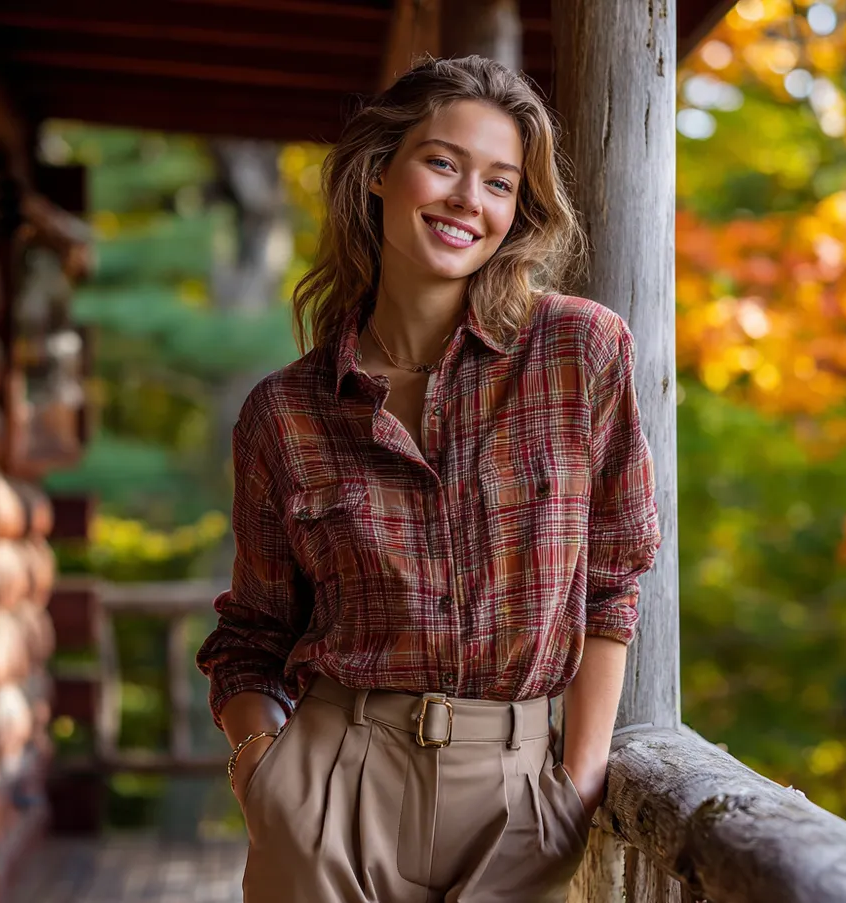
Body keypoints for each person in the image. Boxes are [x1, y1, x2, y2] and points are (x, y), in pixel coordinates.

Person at [196, 54, 660, 903]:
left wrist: (579, 779)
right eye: (443, 163)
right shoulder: (286, 411)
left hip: (520, 800)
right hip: (330, 788)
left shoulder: (578, 351)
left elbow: (612, 580)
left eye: (499, 182)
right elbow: (253, 634)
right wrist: (265, 773)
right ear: (380, 171)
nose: (467, 200)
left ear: (518, 208)